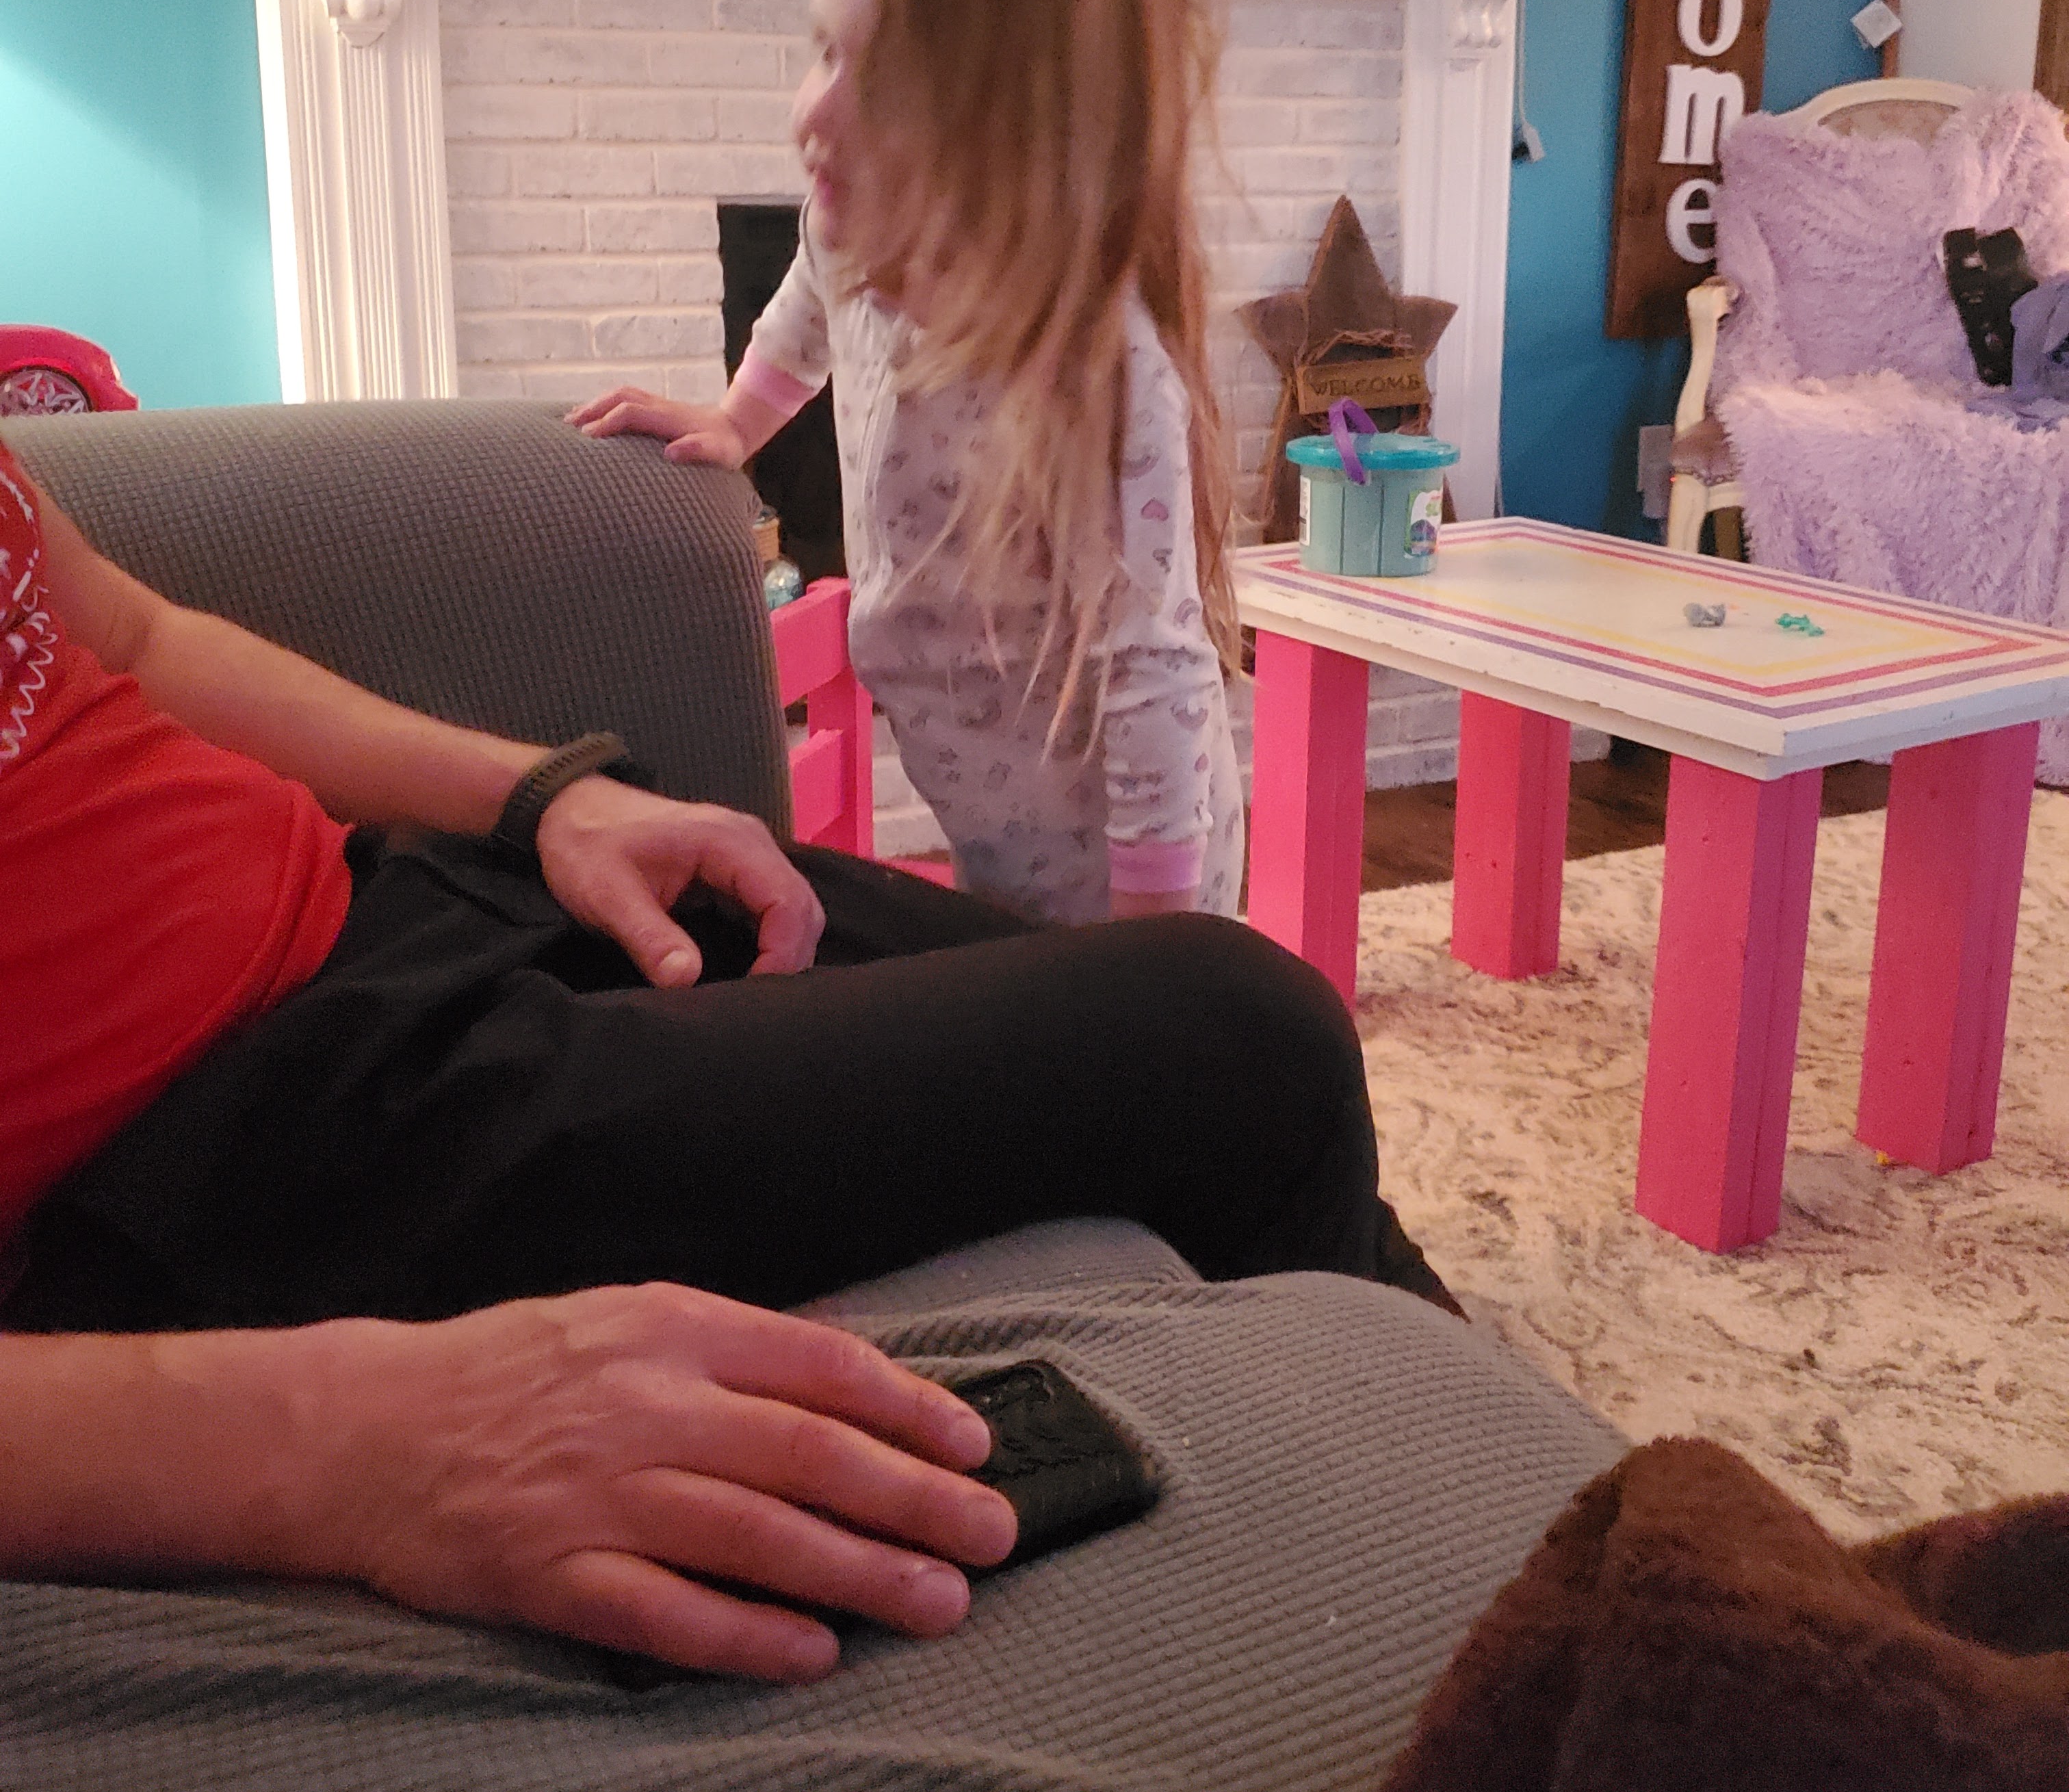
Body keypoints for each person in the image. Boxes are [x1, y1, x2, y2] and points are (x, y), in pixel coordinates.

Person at [0, 428, 1451, 1684]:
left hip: (383, 906)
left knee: (1172, 1040)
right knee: (1241, 1035)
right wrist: (354, 1445)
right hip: (238, 1146)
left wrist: (541, 801)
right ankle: (1472, 1603)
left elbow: (134, 639)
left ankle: (1484, 1463)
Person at [568, 0, 1244, 928]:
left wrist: (1152, 945)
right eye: (821, 51)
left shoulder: (1097, 378)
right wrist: (739, 421)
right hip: (983, 812)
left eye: (873, 79)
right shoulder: (854, 234)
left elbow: (1155, 675)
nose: (811, 112)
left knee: (1116, 1040)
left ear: (1016, 135)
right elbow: (806, 301)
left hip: (1122, 867)